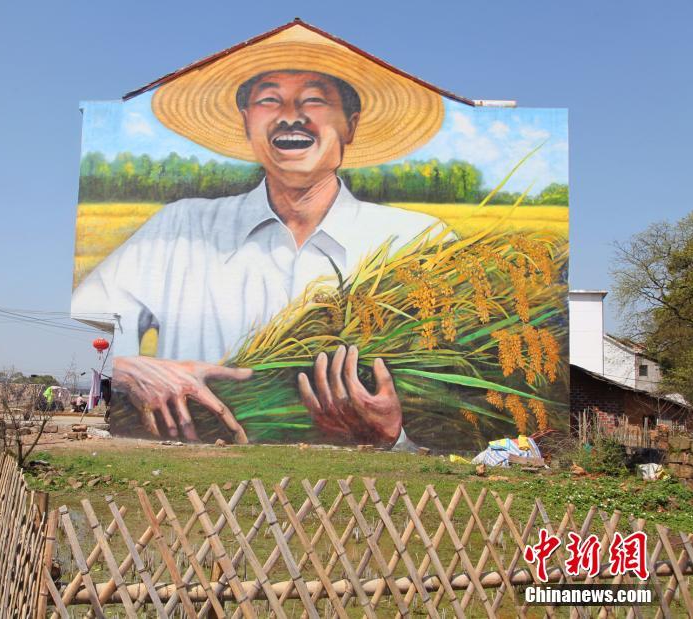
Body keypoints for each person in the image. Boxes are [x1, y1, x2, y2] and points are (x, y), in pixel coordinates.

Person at [71, 28, 448, 447]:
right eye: (269, 100)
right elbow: (95, 318)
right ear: (246, 122)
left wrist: (392, 437)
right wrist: (127, 368)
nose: (291, 115)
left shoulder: (419, 241)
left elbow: (466, 404)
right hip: (197, 479)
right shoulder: (179, 229)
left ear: (351, 125)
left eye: (314, 100)